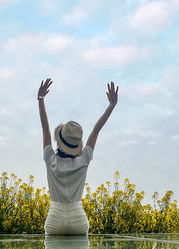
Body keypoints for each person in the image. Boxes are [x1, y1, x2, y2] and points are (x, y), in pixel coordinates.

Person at [37, 78, 119, 235]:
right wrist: (111, 105)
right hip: (78, 220)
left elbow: (45, 127)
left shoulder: (50, 159)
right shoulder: (84, 159)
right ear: (77, 144)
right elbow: (96, 130)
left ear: (59, 140)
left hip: (55, 220)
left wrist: (40, 99)